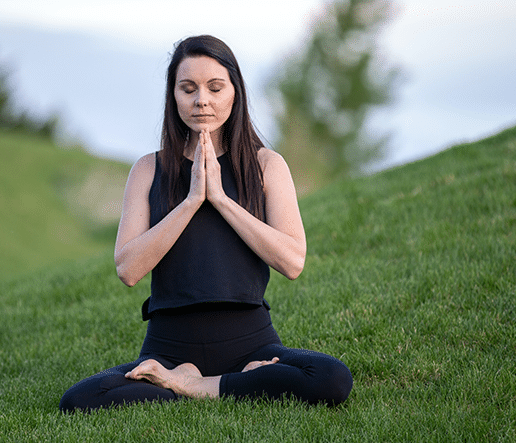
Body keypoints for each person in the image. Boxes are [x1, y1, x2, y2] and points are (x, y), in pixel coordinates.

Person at [59, 35, 352, 412]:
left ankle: (194, 386)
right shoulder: (148, 169)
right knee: (80, 399)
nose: (202, 100)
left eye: (215, 87)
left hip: (251, 342)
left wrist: (221, 199)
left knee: (331, 378)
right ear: (173, 96)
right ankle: (221, 381)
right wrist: (193, 199)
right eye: (188, 88)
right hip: (168, 348)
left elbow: (293, 262)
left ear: (235, 92)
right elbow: (128, 269)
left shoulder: (267, 166)